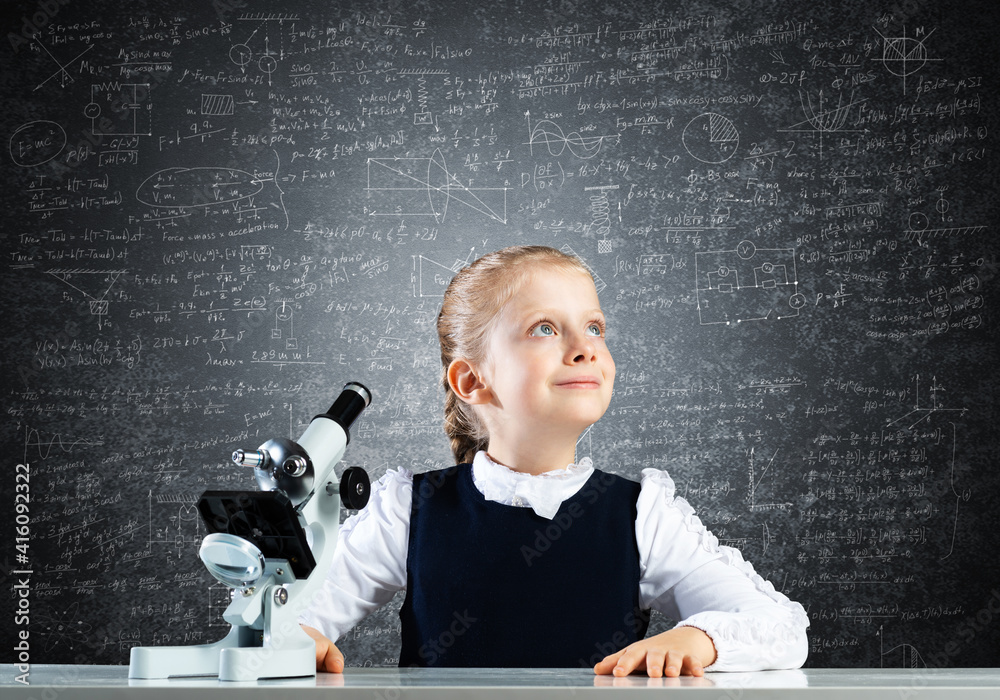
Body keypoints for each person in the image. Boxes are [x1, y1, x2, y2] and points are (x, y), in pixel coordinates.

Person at [300, 245, 809, 677]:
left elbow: (780, 627)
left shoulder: (642, 515)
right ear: (472, 380)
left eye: (594, 327)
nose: (584, 348)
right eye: (545, 328)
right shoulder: (408, 510)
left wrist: (698, 640)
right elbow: (290, 616)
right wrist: (295, 636)